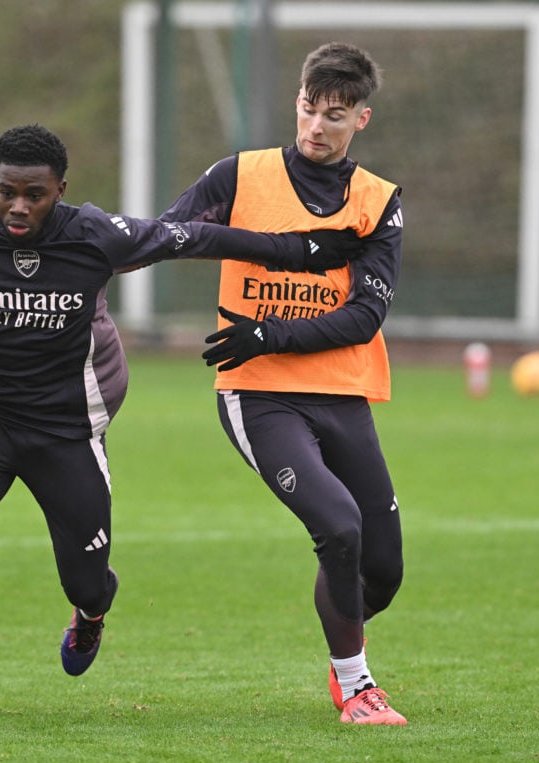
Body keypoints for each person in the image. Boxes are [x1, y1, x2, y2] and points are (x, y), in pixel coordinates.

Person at [0, 124, 362, 717]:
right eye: (6, 192)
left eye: (34, 194)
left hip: (67, 432)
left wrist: (302, 251)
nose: (18, 207)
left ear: (61, 189)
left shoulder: (95, 235)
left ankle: (92, 612)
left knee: (87, 583)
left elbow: (193, 236)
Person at [160, 42, 407, 725]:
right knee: (338, 524)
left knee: (380, 570)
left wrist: (271, 331)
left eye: (334, 114)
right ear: (295, 101)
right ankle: (356, 686)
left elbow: (364, 317)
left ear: (362, 118)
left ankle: (343, 642)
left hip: (341, 392)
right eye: (307, 108)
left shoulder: (378, 202)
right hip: (258, 394)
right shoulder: (239, 175)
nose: (315, 126)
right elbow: (170, 234)